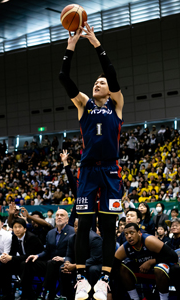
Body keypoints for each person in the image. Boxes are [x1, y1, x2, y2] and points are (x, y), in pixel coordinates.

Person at [59, 21, 124, 300]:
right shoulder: (83, 104)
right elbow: (64, 77)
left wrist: (96, 43)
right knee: (83, 227)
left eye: (102, 83)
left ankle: (105, 280)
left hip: (110, 170)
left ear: (110, 90)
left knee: (108, 227)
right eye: (95, 82)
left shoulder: (117, 105)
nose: (98, 83)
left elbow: (111, 72)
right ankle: (82, 278)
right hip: (87, 171)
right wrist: (70, 47)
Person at [112, 223, 178, 300]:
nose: (129, 236)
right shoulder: (125, 247)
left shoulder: (149, 240)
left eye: (132, 233)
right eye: (126, 234)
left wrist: (151, 262)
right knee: (122, 267)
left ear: (139, 233)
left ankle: (164, 298)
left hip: (160, 266)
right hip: (142, 269)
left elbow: (174, 256)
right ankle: (134, 298)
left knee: (159, 269)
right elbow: (114, 266)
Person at [24, 209, 75, 299]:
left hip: (66, 261)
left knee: (53, 264)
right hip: (52, 262)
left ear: (67, 219)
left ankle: (47, 292)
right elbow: (47, 251)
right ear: (55, 219)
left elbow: (75, 252)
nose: (59, 217)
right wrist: (37, 255)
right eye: (57, 215)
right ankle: (27, 293)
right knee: (29, 262)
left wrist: (63, 258)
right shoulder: (50, 233)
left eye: (62, 215)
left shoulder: (72, 232)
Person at [0, 218, 44, 300]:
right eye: (15, 227)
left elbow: (28, 256)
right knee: (5, 264)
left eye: (19, 227)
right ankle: (7, 294)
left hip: (38, 262)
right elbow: (12, 254)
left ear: (25, 229)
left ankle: (26, 294)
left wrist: (11, 257)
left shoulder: (31, 238)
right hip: (24, 262)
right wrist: (6, 257)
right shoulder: (14, 238)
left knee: (24, 264)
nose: (17, 229)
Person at [60, 219, 102, 299]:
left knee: (92, 270)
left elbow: (94, 259)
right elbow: (68, 255)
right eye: (75, 226)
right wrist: (67, 263)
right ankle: (67, 296)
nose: (77, 228)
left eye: (79, 226)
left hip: (94, 264)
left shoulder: (94, 239)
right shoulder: (72, 238)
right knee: (62, 269)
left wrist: (75, 266)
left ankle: (91, 296)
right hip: (78, 263)